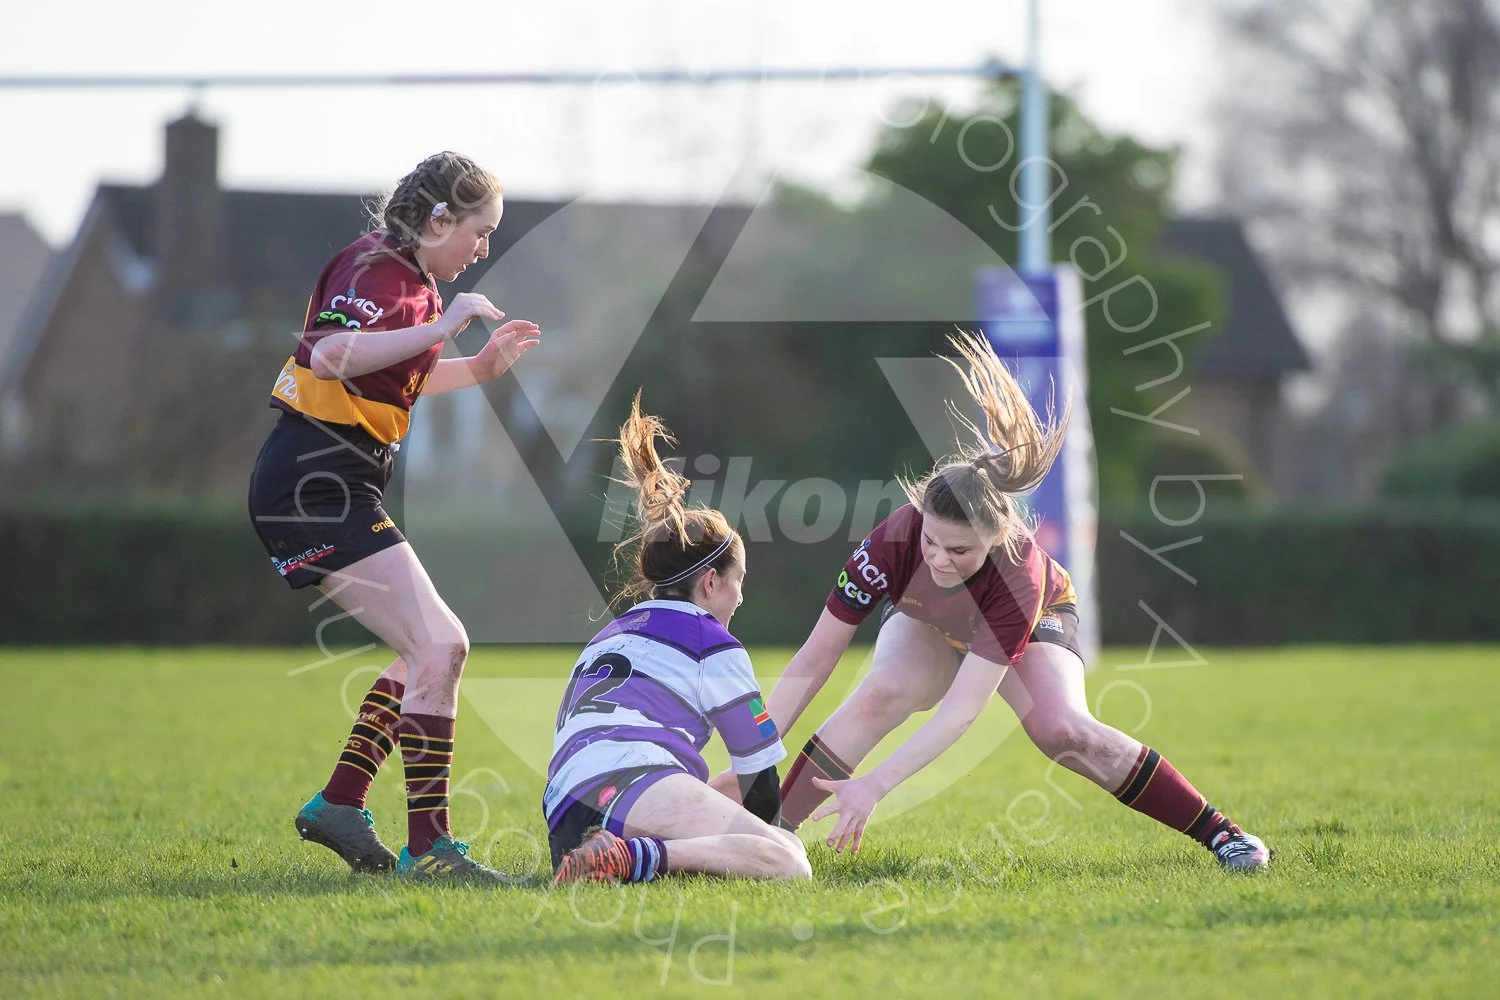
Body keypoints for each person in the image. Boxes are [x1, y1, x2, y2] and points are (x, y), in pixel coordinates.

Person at [762, 331, 1271, 870]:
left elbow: (960, 712)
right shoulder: (892, 541)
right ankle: (768, 831)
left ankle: (1223, 834)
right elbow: (815, 658)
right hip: (929, 622)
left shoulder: (1018, 578)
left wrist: (874, 786)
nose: (937, 558)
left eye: (959, 549)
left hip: (1034, 618)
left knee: (1063, 732)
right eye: (930, 540)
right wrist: (755, 759)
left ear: (994, 537)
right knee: (882, 690)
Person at [247, 151, 541, 882]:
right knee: (442, 646)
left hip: (330, 484)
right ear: (439, 218)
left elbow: (386, 372)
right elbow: (335, 356)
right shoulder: (381, 269)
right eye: (479, 232)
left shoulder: (404, 278)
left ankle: (341, 804)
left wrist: (478, 369)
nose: (484, 250)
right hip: (316, 487)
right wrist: (445, 325)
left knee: (424, 652)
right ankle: (430, 849)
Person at [545, 394, 811, 884]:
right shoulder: (711, 640)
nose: (740, 599)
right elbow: (761, 785)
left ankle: (610, 855)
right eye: (739, 583)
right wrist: (763, 840)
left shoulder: (609, 634)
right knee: (790, 860)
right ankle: (630, 858)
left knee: (733, 828)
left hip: (564, 813)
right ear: (711, 582)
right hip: (631, 782)